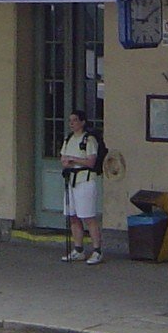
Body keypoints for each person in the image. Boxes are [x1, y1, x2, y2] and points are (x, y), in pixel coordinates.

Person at [58, 110, 104, 265]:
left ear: (83, 122)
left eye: (75, 120)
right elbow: (63, 159)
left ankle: (97, 250)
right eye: (70, 120)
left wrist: (73, 160)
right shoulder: (69, 139)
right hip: (71, 180)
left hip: (85, 180)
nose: (72, 123)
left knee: (88, 216)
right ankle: (78, 249)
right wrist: (68, 161)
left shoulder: (89, 140)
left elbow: (91, 162)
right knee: (73, 216)